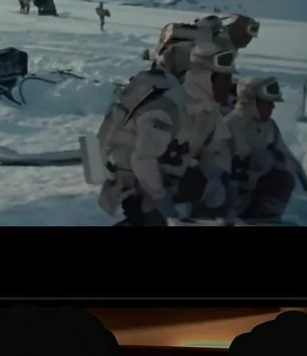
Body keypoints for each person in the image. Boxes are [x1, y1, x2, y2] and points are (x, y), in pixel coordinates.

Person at [96, 39, 236, 226]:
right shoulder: (167, 109)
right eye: (225, 79)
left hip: (171, 181)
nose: (229, 86)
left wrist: (214, 179)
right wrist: (164, 204)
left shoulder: (209, 112)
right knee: (157, 220)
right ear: (205, 78)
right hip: (140, 187)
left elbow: (216, 152)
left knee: (224, 196)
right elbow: (143, 162)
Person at [225, 76, 305, 222]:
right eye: (268, 103)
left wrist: (305, 179)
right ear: (251, 102)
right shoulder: (229, 127)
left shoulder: (270, 127)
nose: (272, 107)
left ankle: (266, 217)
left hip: (253, 192)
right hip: (229, 196)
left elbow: (286, 157)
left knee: (283, 177)